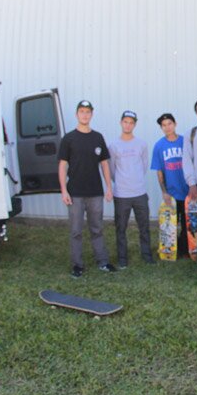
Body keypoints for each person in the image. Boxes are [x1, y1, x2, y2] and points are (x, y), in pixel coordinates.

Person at [58, 100, 117, 278]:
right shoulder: (68, 138)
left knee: (97, 228)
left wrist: (108, 187)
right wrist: (64, 190)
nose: (85, 115)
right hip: (75, 193)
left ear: (92, 115)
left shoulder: (98, 137)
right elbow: (62, 165)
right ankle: (77, 265)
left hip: (95, 193)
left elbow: (105, 164)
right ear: (77, 114)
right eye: (82, 111)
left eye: (88, 112)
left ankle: (103, 262)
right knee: (76, 231)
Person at [108, 110, 153, 268]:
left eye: (131, 122)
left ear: (135, 124)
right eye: (125, 121)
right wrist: (121, 181)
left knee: (144, 226)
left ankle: (147, 255)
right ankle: (122, 258)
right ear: (121, 123)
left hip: (139, 192)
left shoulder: (141, 144)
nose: (128, 125)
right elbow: (111, 169)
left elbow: (144, 165)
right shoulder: (113, 145)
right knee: (121, 228)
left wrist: (136, 179)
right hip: (122, 194)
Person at [150, 112, 189, 257]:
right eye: (164, 125)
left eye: (169, 124)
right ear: (161, 128)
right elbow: (159, 171)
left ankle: (185, 249)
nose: (167, 127)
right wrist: (164, 191)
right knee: (171, 224)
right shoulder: (159, 146)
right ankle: (171, 250)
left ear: (175, 124)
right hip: (171, 193)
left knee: (187, 224)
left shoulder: (185, 142)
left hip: (187, 191)